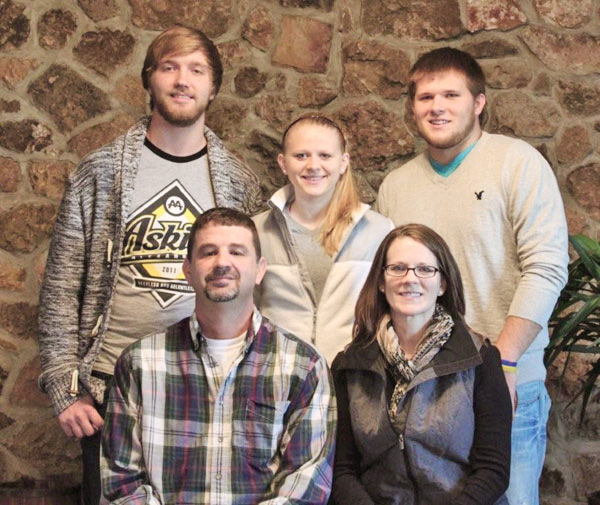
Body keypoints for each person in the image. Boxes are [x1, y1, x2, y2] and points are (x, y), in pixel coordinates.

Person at [37, 25, 262, 505]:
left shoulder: (238, 181)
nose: (183, 80)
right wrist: (64, 387)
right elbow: (60, 287)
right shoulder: (100, 173)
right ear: (149, 80)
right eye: (170, 67)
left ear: (213, 87)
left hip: (209, 388)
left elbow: (250, 287)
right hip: (109, 391)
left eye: (196, 69)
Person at [376, 47, 569, 505]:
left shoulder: (517, 163)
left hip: (506, 384)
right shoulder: (395, 186)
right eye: (425, 97)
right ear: (412, 107)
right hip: (422, 393)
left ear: (478, 102)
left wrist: (500, 361)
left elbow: (547, 267)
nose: (437, 107)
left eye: (450, 94)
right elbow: (389, 287)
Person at [100, 208, 336, 504]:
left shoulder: (304, 366)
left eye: (237, 252)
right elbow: (120, 484)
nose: (222, 262)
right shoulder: (140, 363)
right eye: (208, 252)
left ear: (260, 269)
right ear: (187, 270)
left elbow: (306, 487)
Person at [331, 224, 512, 505]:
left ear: (443, 284)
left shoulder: (480, 359)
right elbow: (342, 470)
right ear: (381, 281)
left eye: (425, 269)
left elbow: (493, 471)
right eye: (398, 268)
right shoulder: (350, 365)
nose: (410, 279)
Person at [253, 113, 393, 363]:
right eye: (301, 155)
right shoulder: (256, 231)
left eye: (325, 155)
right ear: (283, 163)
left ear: (343, 163)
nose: (313, 165)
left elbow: (388, 314)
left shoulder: (380, 230)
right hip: (279, 379)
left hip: (353, 379)